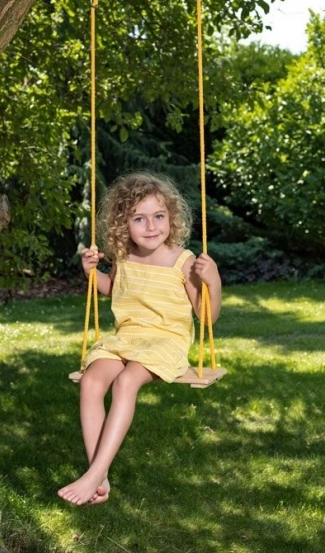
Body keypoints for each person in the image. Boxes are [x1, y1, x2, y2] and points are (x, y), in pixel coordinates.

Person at [58, 172, 221, 506]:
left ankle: (94, 473)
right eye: (139, 218)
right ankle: (98, 476)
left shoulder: (184, 262)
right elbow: (111, 289)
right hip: (126, 338)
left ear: (171, 218)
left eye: (159, 216)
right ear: (123, 223)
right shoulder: (123, 257)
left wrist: (213, 279)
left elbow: (207, 317)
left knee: (126, 382)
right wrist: (91, 273)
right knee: (91, 381)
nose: (151, 227)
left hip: (165, 341)